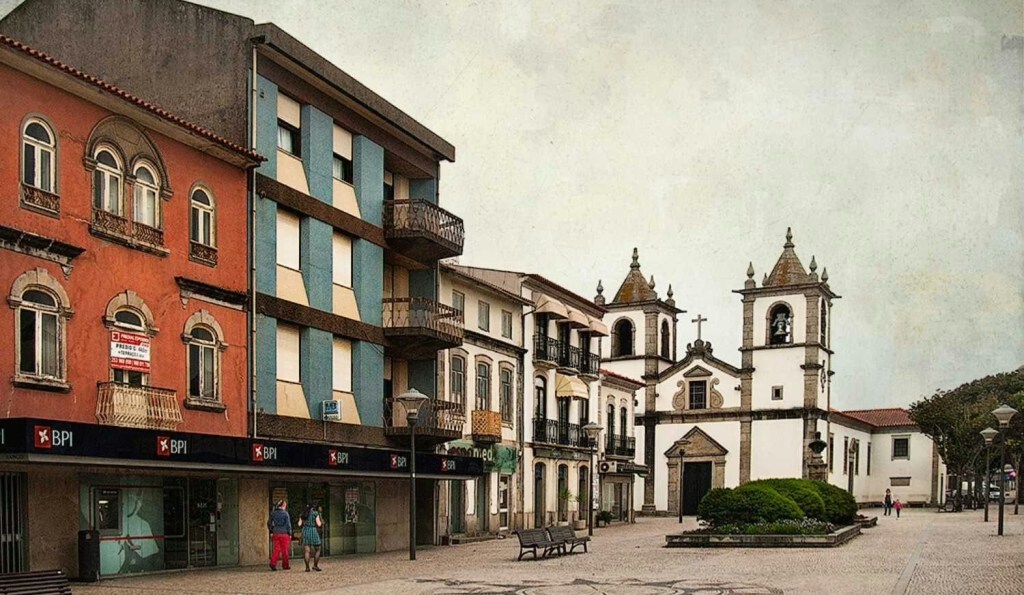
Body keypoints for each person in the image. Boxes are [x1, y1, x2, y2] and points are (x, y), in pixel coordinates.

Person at [268, 499, 292, 571]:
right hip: (284, 533)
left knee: (276, 549)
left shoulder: (273, 513)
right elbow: (288, 524)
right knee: (285, 550)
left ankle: (273, 563)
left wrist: (271, 531)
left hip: (276, 532)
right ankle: (285, 565)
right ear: (283, 505)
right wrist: (290, 533)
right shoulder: (285, 514)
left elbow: (269, 523)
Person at [300, 503, 324, 572]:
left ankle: (307, 567)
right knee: (318, 549)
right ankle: (315, 565)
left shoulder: (303, 513)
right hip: (313, 530)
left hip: (306, 531)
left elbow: (299, 524)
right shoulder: (315, 513)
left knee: (307, 551)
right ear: (313, 507)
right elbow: (319, 524)